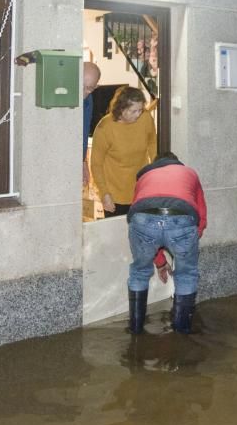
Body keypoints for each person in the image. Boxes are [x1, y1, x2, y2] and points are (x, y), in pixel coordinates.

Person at [126, 152, 207, 334]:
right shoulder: (189, 173)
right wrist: (191, 239)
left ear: (155, 164)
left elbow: (141, 217)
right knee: (186, 275)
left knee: (139, 272)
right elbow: (201, 216)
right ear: (177, 162)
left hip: (143, 220)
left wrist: (160, 262)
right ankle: (181, 334)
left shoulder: (145, 177)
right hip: (182, 219)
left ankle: (135, 331)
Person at [15, 53, 101, 183]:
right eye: (81, 84)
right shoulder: (59, 90)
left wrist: (82, 160)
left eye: (89, 88)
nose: (83, 91)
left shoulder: (88, 100)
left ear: (95, 87)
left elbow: (83, 132)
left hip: (67, 163)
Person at [90, 86, 157, 217]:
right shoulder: (105, 128)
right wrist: (104, 194)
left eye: (140, 109)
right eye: (133, 111)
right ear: (121, 109)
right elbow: (96, 165)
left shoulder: (145, 118)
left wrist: (155, 172)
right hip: (114, 194)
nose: (138, 114)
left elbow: (152, 143)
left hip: (141, 189)